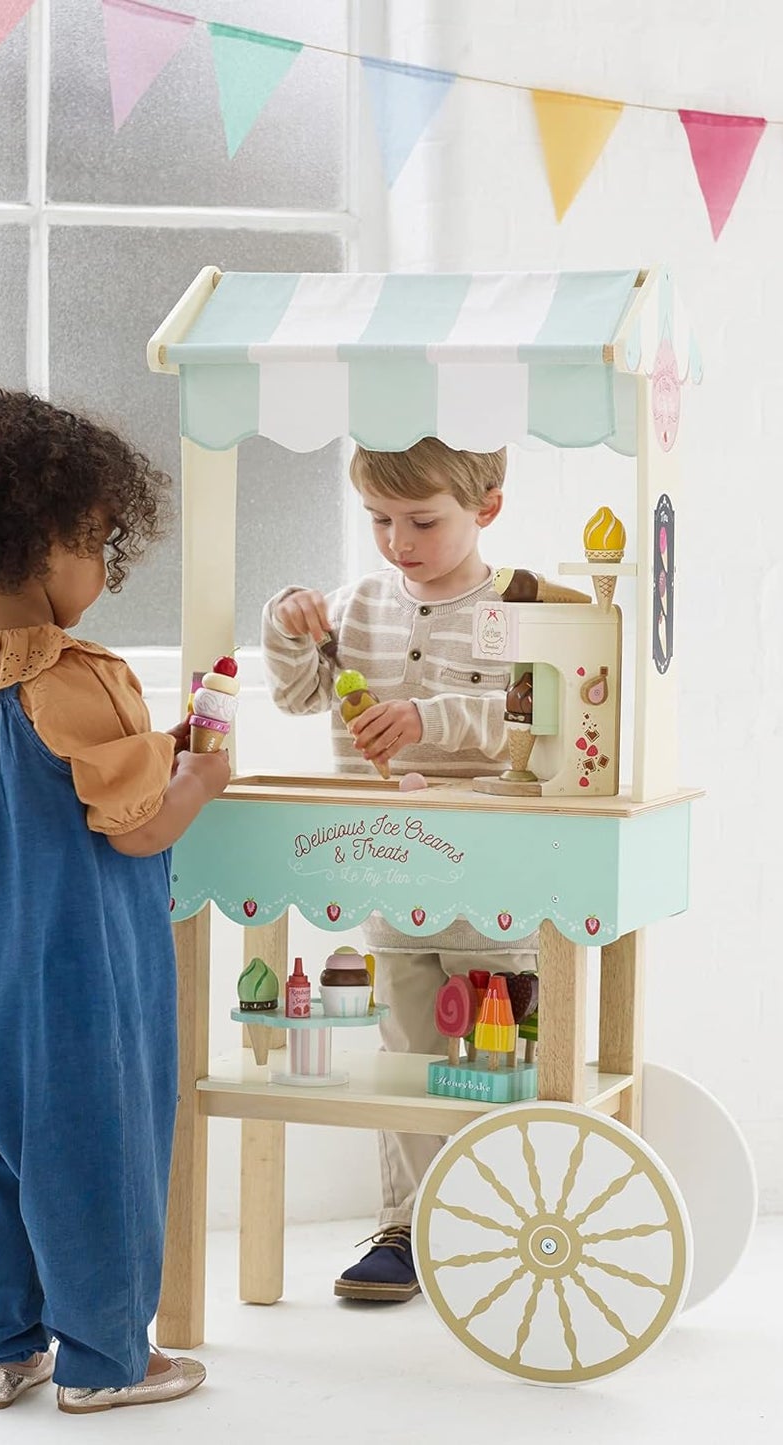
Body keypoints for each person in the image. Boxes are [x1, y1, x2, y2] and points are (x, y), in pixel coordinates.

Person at [0, 388, 230, 1413]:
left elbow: (58, 780)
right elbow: (136, 825)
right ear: (44, 543)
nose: (104, 571)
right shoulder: (76, 677)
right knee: (94, 1148)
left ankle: (1, 1346)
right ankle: (107, 1359)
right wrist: (202, 775)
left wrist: (152, 752)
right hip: (69, 965)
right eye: (98, 544)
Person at [261, 437, 537, 1303]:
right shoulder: (358, 606)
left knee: (497, 1061)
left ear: (486, 506)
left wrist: (429, 718)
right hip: (388, 873)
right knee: (406, 1060)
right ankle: (409, 1226)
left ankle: (500, 1221)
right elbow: (298, 695)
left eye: (421, 520)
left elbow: (537, 723)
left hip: (495, 877)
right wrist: (288, 628)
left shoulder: (520, 610)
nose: (396, 540)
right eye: (379, 519)